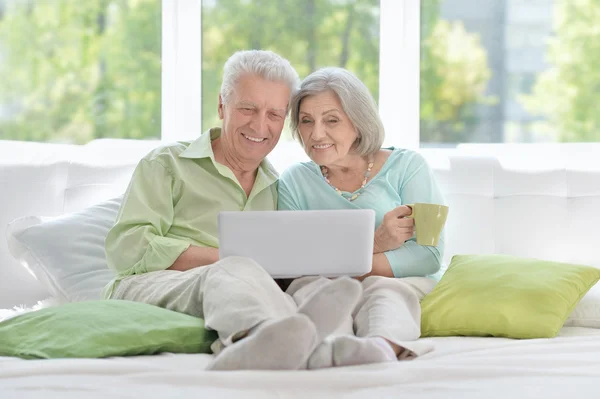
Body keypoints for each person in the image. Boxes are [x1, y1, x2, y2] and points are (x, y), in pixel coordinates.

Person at [103, 51, 363, 371]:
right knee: (235, 268)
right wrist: (222, 257)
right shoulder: (166, 163)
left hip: (241, 287)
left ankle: (329, 348)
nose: (260, 125)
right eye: (247, 108)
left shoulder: (277, 187)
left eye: (274, 114)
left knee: (313, 284)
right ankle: (255, 342)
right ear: (222, 107)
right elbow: (126, 247)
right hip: (153, 283)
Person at [278, 66, 446, 369]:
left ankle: (381, 347)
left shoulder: (409, 166)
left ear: (359, 121)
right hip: (324, 285)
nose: (316, 134)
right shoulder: (293, 180)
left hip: (395, 283)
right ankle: (326, 348)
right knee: (315, 291)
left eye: (331, 120)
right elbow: (294, 264)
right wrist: (376, 242)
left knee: (383, 289)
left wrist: (340, 267)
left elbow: (428, 256)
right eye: (306, 121)